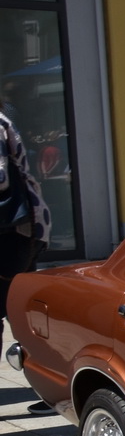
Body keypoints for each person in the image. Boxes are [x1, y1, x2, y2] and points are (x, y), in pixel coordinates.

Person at [0, 110, 48, 337]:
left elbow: (1, 179)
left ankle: (41, 364)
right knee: (19, 310)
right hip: (22, 226)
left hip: (14, 229)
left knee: (17, 309)